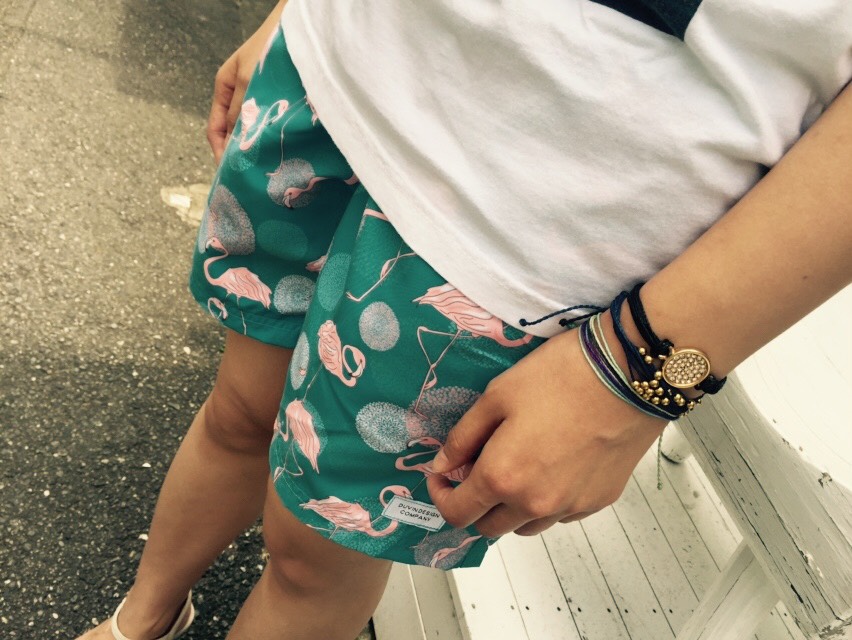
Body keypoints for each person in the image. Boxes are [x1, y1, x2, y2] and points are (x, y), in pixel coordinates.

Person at [79, 1, 852, 639]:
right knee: (237, 413)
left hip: (534, 226)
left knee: (315, 556)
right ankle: (142, 619)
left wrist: (638, 370)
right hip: (332, 70)